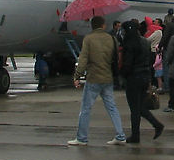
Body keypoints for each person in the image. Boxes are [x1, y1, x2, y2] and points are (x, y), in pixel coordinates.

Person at [68, 15, 127, 146]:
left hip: (93, 77)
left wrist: (77, 76)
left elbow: (83, 60)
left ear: (91, 25)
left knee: (86, 108)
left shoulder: (88, 39)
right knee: (112, 107)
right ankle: (120, 135)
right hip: (107, 77)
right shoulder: (111, 38)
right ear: (103, 26)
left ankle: (82, 137)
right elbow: (115, 57)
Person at [120, 20, 163, 143]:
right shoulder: (145, 42)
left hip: (134, 77)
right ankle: (156, 124)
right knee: (140, 107)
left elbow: (128, 64)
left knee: (134, 108)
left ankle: (136, 135)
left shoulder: (129, 43)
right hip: (144, 76)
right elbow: (149, 60)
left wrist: (122, 74)